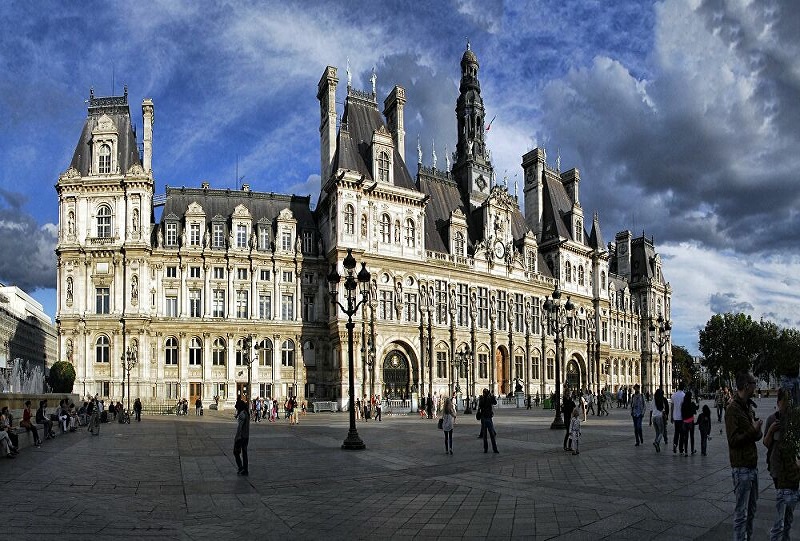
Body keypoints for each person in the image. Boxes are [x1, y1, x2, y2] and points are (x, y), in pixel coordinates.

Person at [725, 371, 764, 541]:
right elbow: (733, 440)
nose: (756, 386)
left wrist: (757, 431)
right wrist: (752, 430)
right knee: (741, 512)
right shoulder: (733, 409)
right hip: (741, 468)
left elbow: (755, 436)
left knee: (752, 510)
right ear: (747, 385)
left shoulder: (747, 406)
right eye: (754, 383)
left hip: (751, 465)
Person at [763, 388, 800, 540]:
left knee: (789, 510)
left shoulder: (796, 420)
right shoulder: (772, 419)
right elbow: (766, 443)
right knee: (781, 508)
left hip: (793, 469)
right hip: (777, 468)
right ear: (778, 403)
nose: (786, 407)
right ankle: (779, 533)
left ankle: (786, 535)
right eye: (784, 403)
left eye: (789, 403)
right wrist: (771, 431)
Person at [478, 388, 499, 453]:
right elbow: (494, 403)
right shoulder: (485, 398)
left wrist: (491, 396)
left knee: (486, 435)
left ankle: (486, 449)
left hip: (485, 417)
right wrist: (491, 396)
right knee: (491, 434)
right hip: (487, 418)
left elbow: (494, 403)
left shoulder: (484, 398)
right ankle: (494, 449)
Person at [233, 399, 250, 476]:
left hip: (241, 437)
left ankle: (241, 467)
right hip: (246, 436)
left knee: (236, 452)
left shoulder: (242, 414)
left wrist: (236, 438)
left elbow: (239, 428)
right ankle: (245, 469)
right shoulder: (246, 413)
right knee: (244, 453)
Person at [671, 382, 686, 454]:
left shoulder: (673, 395)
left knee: (676, 432)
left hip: (675, 417)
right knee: (682, 434)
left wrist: (671, 416)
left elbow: (672, 407)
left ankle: (674, 444)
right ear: (683, 387)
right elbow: (684, 408)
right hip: (681, 417)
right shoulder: (684, 395)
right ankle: (680, 449)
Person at [681, 390, 698, 456]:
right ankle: (692, 450)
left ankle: (686, 452)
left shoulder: (683, 404)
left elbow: (682, 412)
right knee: (692, 436)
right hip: (691, 421)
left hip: (685, 422)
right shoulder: (692, 404)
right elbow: (696, 409)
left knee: (686, 437)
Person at [652, 388, 667, 452]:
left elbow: (651, 410)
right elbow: (663, 410)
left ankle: (656, 443)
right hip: (659, 417)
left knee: (657, 432)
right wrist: (665, 416)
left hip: (654, 417)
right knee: (661, 431)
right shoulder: (661, 400)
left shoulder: (653, 400)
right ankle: (657, 442)